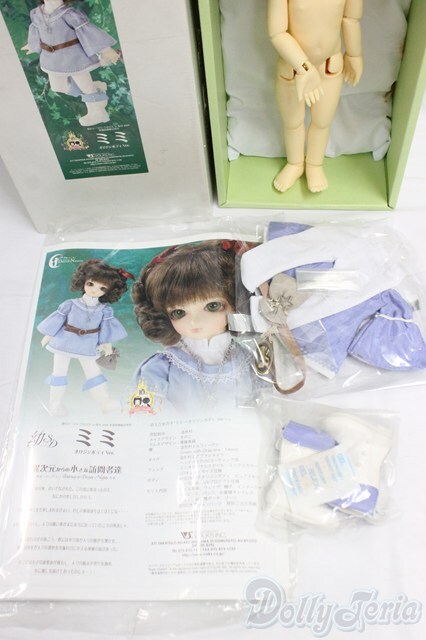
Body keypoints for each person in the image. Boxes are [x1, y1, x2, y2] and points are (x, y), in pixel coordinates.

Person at [132, 241, 258, 414]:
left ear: (237, 303)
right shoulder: (161, 368)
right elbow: (146, 415)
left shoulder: (249, 362)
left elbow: (266, 407)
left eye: (212, 306)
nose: (195, 321)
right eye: (179, 313)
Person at [267, 0, 363, 193]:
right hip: (293, 68)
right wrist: (304, 67)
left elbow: (351, 19)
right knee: (292, 122)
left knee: (322, 122)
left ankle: (314, 164)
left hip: (329, 66)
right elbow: (277, 33)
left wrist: (354, 54)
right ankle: (295, 163)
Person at [37, 259, 133, 416]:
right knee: (59, 373)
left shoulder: (104, 310)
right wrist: (49, 335)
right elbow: (58, 320)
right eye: (91, 284)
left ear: (109, 291)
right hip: (64, 341)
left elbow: (106, 329)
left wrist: (106, 344)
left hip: (88, 344)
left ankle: (105, 403)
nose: (95, 290)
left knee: (94, 373)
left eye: (102, 288)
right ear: (83, 281)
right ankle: (54, 404)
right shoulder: (70, 304)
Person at [22, 0, 120, 126]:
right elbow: (36, 31)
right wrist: (32, 45)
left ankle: (98, 112)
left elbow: (88, 32)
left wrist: (105, 49)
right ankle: (95, 88)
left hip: (74, 58)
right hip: (51, 59)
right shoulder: (37, 14)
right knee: (58, 87)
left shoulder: (70, 14)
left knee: (86, 88)